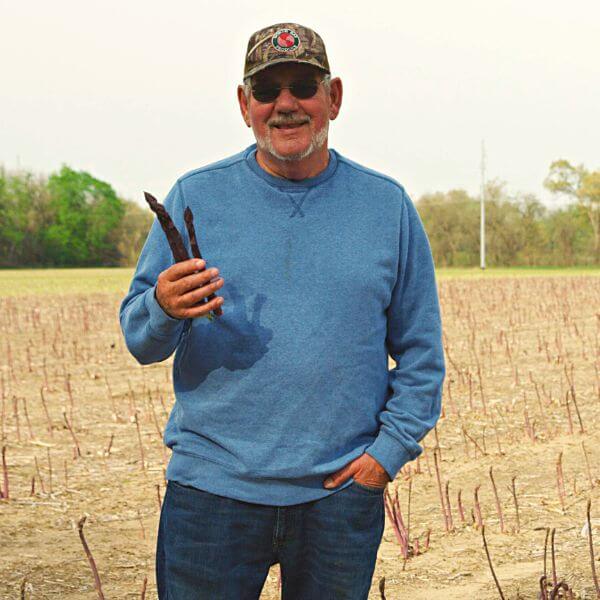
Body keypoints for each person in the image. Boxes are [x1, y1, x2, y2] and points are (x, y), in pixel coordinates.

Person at [119, 22, 445, 600]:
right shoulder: (196, 196)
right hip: (211, 493)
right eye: (267, 90)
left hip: (338, 495)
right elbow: (142, 340)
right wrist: (164, 306)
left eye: (303, 86)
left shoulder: (386, 206)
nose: (286, 104)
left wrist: (384, 457)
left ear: (334, 98)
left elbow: (422, 355)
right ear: (244, 105)